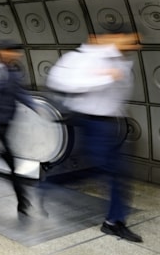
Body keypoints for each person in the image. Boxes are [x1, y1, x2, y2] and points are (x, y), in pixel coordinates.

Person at [47, 28, 142, 242]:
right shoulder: (80, 58)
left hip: (110, 124)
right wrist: (104, 78)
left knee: (117, 174)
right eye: (129, 40)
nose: (133, 46)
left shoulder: (119, 61)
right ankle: (51, 183)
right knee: (102, 168)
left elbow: (118, 95)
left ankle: (113, 222)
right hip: (88, 120)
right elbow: (61, 83)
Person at [0, 40, 39, 215]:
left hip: (6, 124)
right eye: (11, 51)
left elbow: (21, 93)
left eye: (16, 52)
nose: (15, 55)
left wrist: (36, 107)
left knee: (2, 157)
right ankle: (23, 202)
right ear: (0, 52)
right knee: (12, 164)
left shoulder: (13, 73)